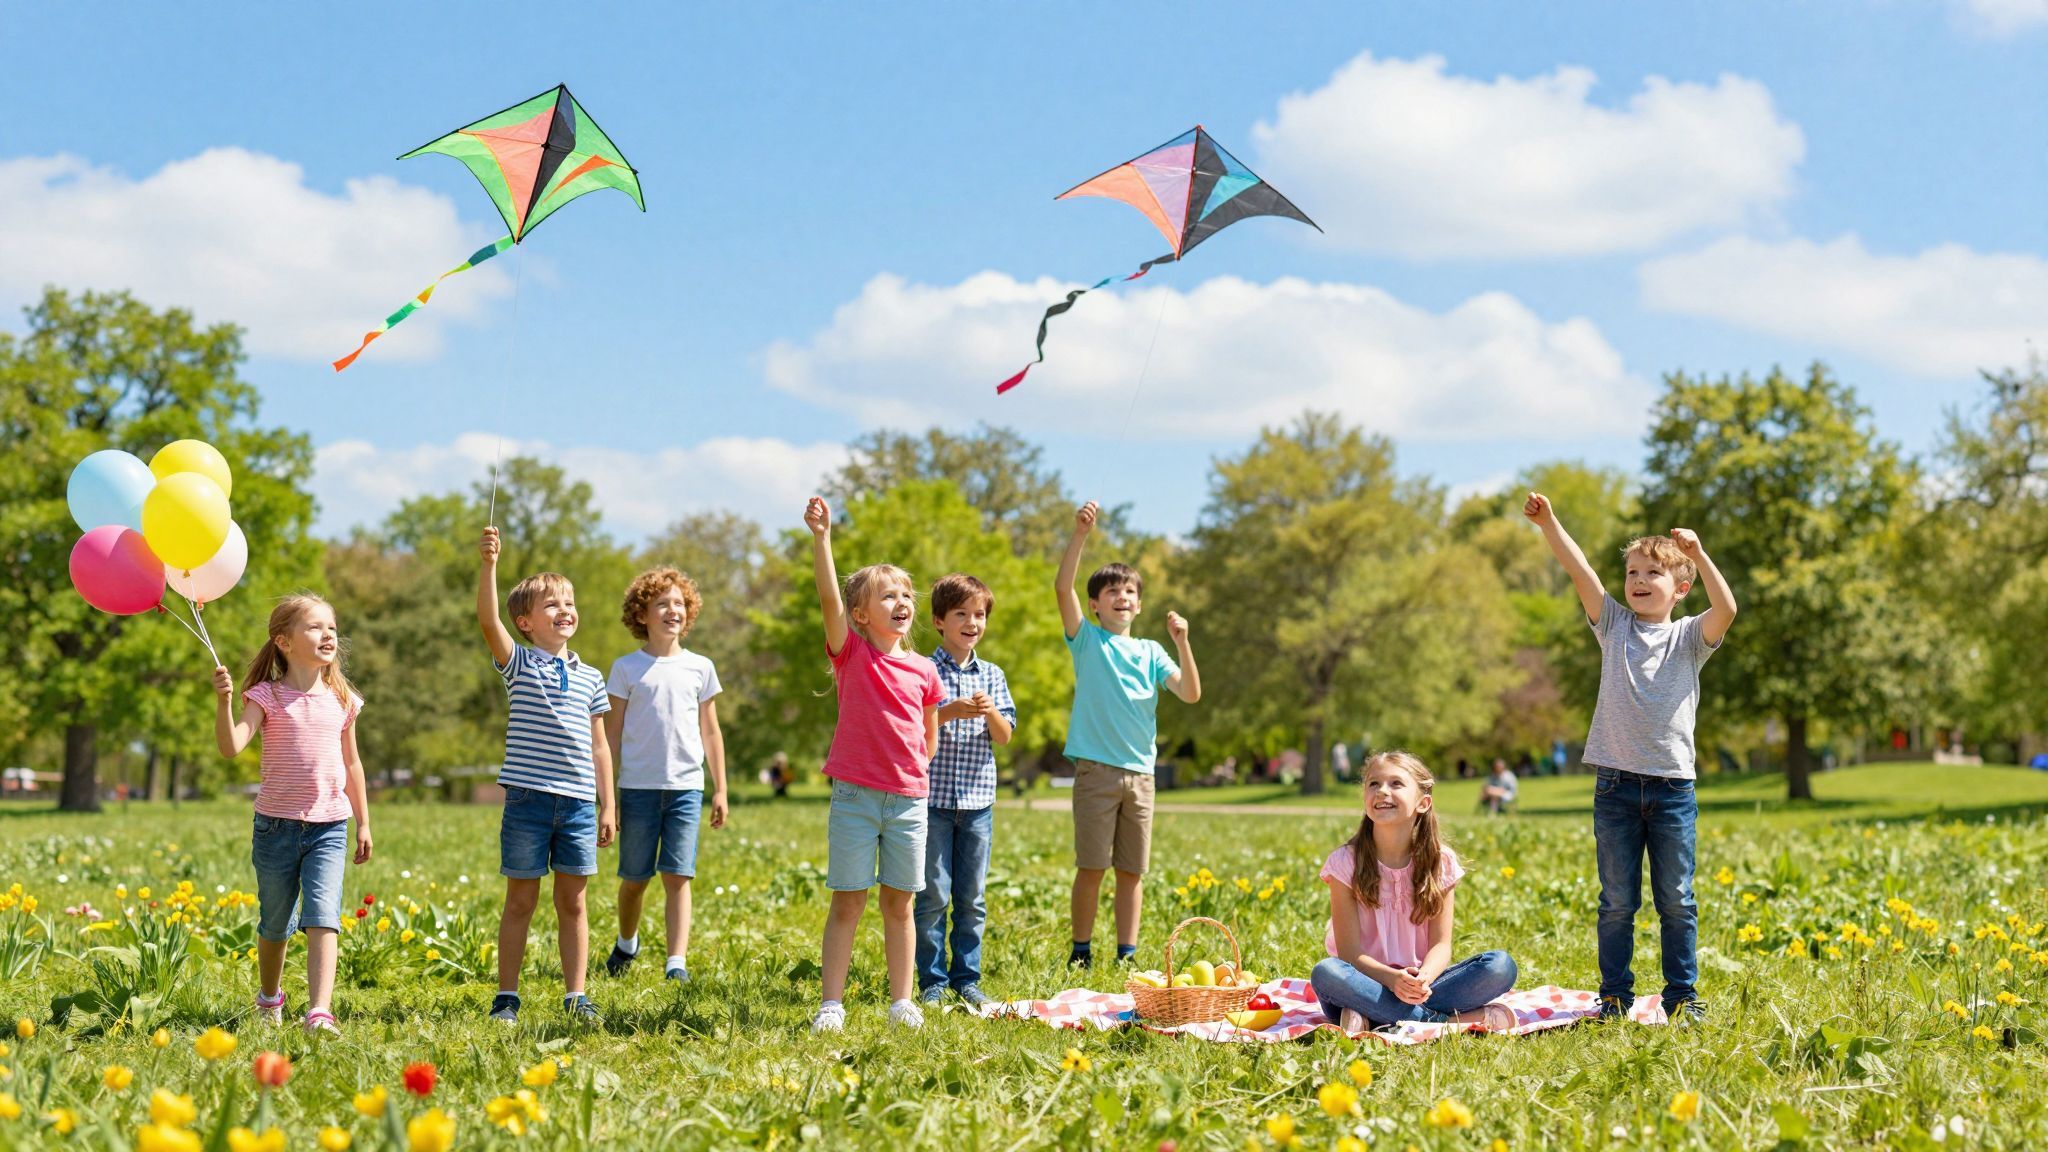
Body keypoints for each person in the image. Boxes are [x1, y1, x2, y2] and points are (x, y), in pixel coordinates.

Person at [1524, 493, 1737, 1023]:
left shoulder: (1689, 638)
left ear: (1680, 589)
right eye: (1632, 572)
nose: (1639, 580)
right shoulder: (1614, 626)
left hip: (1672, 790)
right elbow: (1580, 571)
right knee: (1617, 901)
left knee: (1677, 900)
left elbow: (1728, 609)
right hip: (1615, 787)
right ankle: (1615, 998)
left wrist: (1698, 553)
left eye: (1653, 573)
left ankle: (1682, 998)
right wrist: (1550, 523)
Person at [804, 497, 945, 1032]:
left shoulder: (925, 671)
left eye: (906, 594)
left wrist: (910, 776)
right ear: (861, 614)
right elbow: (827, 597)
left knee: (900, 905)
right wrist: (822, 538)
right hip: (855, 799)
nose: (901, 601)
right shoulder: (852, 653)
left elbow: (928, 736)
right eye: (887, 595)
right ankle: (831, 1005)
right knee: (848, 902)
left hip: (908, 802)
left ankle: (901, 1001)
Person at [213, 594, 372, 1035]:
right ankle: (270, 997)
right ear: (283, 641)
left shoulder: (343, 698)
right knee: (275, 923)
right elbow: (230, 747)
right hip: (275, 828)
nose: (328, 635)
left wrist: (363, 821)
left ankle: (319, 1011)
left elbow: (353, 764)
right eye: (315, 627)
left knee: (324, 915)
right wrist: (224, 702)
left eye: (332, 628)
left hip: (329, 826)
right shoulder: (266, 695)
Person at [477, 526, 615, 1025]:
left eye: (569, 602)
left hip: (578, 804)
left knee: (573, 903)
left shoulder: (590, 676)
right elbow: (487, 620)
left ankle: (576, 996)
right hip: (528, 802)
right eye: (552, 604)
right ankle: (506, 997)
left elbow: (600, 745)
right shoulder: (519, 663)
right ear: (525, 622)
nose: (565, 610)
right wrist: (490, 564)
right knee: (521, 900)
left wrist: (608, 804)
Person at [1056, 500, 1200, 968]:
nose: (1122, 596)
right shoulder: (1087, 640)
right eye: (1112, 591)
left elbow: (1190, 693)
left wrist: (1182, 642)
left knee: (1132, 871)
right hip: (1096, 772)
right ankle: (1081, 951)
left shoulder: (1151, 651)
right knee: (1092, 867)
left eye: (1130, 591)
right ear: (1095, 605)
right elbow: (1062, 587)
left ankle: (1126, 954)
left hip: (1141, 776)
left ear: (1139, 604)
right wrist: (1080, 534)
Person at [1310, 751, 1518, 1032]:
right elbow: (1349, 954)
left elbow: (1441, 945)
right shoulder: (1345, 863)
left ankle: (1374, 1017)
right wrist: (1391, 979)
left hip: (1422, 984)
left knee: (1500, 966)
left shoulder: (1440, 862)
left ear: (1423, 803)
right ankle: (1445, 1022)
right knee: (1326, 972)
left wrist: (1423, 979)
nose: (1382, 791)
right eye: (1373, 784)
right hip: (1363, 981)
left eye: (1396, 783)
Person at [602, 568, 727, 985]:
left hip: (685, 789)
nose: (673, 610)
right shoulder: (626, 669)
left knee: (678, 875)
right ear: (642, 614)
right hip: (637, 790)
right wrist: (608, 799)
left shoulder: (700, 668)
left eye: (679, 603)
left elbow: (711, 732)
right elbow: (611, 735)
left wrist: (721, 789)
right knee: (634, 880)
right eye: (662, 604)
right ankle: (627, 941)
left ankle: (676, 962)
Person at [916, 573, 1016, 1009]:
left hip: (977, 803)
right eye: (961, 614)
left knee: (972, 898)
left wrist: (991, 713)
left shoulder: (992, 675)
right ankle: (932, 981)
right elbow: (911, 730)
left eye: (979, 615)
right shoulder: (923, 670)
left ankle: (967, 979)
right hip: (933, 802)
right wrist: (948, 712)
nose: (972, 623)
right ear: (939, 621)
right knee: (933, 895)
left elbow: (1005, 736)